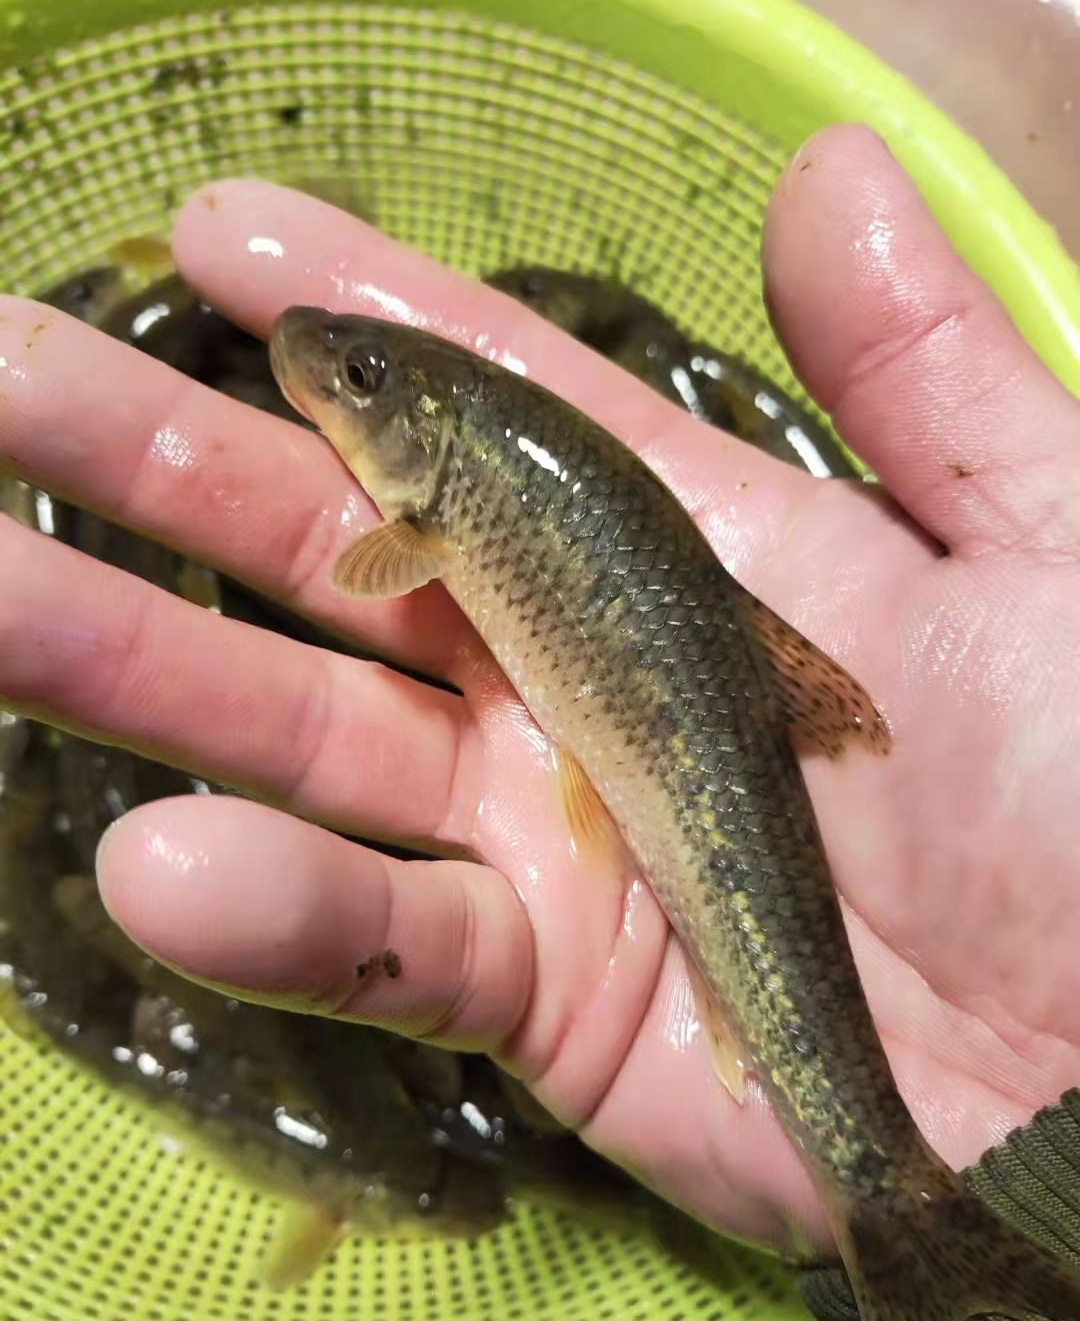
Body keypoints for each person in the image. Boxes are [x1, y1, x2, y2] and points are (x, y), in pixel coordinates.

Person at [0, 123, 1077, 1262]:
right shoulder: (445, 487)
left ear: (434, 451)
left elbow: (380, 566)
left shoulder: (430, 515)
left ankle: (893, 1206)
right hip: (703, 762)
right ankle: (908, 1214)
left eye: (361, 382)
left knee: (741, 935)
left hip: (701, 782)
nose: (324, 367)